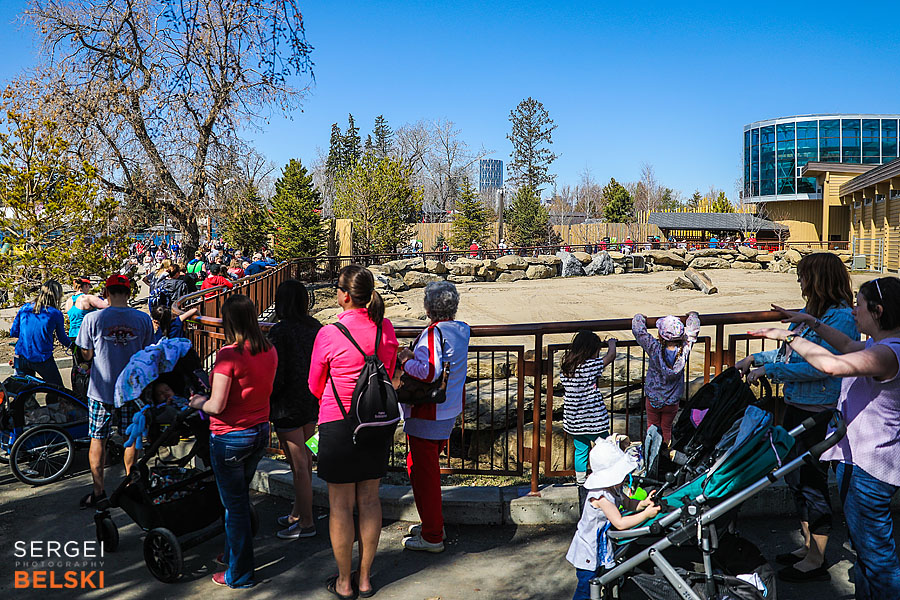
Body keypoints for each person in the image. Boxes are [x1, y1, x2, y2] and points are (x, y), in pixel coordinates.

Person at [750, 277, 900, 600]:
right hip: (859, 462)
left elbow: (832, 365)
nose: (852, 311)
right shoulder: (880, 345)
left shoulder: (888, 355)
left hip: (870, 469)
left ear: (878, 311)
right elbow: (845, 346)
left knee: (878, 559)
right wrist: (812, 323)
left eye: (858, 306)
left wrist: (789, 338)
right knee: (866, 554)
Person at [736, 252, 857, 583]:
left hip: (818, 413)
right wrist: (753, 359)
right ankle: (808, 547)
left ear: (818, 280)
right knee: (796, 478)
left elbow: (818, 366)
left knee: (813, 483)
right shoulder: (807, 316)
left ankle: (817, 557)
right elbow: (786, 352)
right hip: (796, 407)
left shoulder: (841, 320)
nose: (799, 281)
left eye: (803, 276)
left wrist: (769, 370)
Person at [308, 265, 398, 599]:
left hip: (338, 424)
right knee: (370, 500)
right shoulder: (384, 328)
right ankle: (365, 578)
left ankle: (344, 581)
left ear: (345, 295)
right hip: (374, 422)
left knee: (340, 506)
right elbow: (388, 371)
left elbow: (314, 384)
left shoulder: (329, 334)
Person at [189, 295, 277, 588]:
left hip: (230, 436)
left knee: (235, 506)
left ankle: (239, 574)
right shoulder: (269, 350)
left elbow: (217, 405)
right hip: (259, 431)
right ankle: (231, 555)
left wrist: (197, 401)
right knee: (238, 501)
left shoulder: (229, 356)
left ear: (228, 322)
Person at [397, 281, 471, 553]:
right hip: (448, 408)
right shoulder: (462, 330)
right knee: (422, 468)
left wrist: (406, 358)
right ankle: (432, 523)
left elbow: (429, 372)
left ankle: (432, 535)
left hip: (428, 412)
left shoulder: (433, 333)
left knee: (422, 472)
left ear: (429, 307)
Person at [76, 274, 154, 508]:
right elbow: (147, 353)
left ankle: (99, 492)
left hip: (102, 388)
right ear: (129, 293)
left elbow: (86, 354)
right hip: (131, 389)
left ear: (106, 293)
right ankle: (130, 486)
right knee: (131, 437)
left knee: (98, 438)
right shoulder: (142, 319)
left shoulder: (93, 319)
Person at [567, 439, 661, 600]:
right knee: (586, 589)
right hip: (588, 551)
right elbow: (620, 523)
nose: (625, 478)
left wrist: (644, 504)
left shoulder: (614, 489)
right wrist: (646, 515)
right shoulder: (601, 496)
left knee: (602, 580)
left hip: (601, 545)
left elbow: (629, 503)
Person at [266, 280, 322, 540]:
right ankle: (297, 513)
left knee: (298, 465)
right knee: (305, 463)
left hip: (287, 405)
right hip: (310, 401)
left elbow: (277, 371)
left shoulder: (280, 331)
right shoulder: (316, 328)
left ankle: (306, 523)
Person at [632, 312, 700, 444]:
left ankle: (652, 456)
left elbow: (639, 331)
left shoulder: (654, 348)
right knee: (666, 429)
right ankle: (666, 454)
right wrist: (692, 316)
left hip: (653, 398)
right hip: (672, 401)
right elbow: (693, 330)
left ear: (660, 335)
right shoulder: (685, 348)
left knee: (652, 429)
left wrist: (639, 318)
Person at [559, 331, 617, 484]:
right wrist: (612, 344)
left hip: (575, 423)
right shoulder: (591, 366)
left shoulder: (567, 368)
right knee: (606, 448)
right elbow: (610, 357)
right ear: (591, 350)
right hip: (594, 421)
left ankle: (580, 480)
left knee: (581, 451)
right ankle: (607, 476)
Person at [10, 280, 71, 387]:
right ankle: (52, 403)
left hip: (21, 356)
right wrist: (74, 346)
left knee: (23, 390)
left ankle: (28, 403)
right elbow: (62, 338)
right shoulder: (55, 313)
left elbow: (14, 332)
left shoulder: (25, 308)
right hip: (42, 357)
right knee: (56, 388)